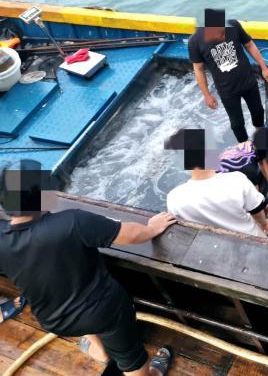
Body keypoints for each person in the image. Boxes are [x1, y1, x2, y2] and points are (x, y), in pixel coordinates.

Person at [0, 159, 177, 376]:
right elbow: (131, 235)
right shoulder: (73, 222)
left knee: (77, 303)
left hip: (54, 319)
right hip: (106, 314)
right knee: (131, 359)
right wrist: (151, 228)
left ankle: (100, 352)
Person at [165, 131, 268, 236]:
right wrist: (265, 222)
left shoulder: (173, 199)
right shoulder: (238, 180)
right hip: (249, 239)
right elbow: (256, 207)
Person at [189, 8, 268, 143]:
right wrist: (207, 95)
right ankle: (246, 147)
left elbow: (250, 45)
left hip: (248, 81)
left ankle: (260, 140)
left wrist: (264, 67)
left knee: (258, 112)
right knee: (237, 123)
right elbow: (198, 69)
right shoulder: (194, 42)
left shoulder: (233, 25)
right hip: (227, 90)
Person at [218, 128, 268, 195]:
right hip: (219, 183)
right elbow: (254, 194)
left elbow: (262, 161)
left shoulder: (249, 144)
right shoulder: (250, 168)